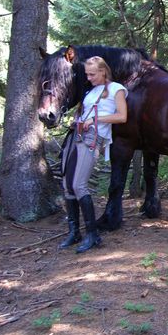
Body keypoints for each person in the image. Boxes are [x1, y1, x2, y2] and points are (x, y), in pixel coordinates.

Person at [59, 56, 128, 253]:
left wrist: (94, 121)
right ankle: (74, 232)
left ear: (103, 72)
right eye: (87, 74)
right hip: (76, 135)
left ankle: (93, 234)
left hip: (92, 138)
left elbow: (122, 116)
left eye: (92, 74)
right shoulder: (92, 91)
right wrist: (79, 120)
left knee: (79, 185)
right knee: (67, 185)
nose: (88, 78)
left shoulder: (117, 89)